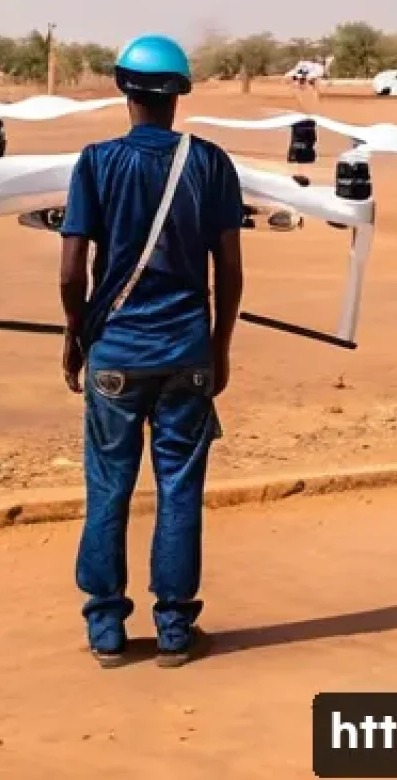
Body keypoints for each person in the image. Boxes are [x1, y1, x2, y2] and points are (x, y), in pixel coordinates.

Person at [59, 34, 245, 669]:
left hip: (115, 353)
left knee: (108, 487)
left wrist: (75, 334)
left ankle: (106, 630)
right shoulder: (213, 164)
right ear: (182, 94)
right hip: (186, 353)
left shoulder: (95, 161)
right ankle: (173, 629)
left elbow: (70, 271)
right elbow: (231, 271)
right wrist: (218, 347)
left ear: (121, 87)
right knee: (179, 491)